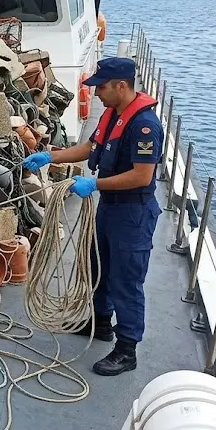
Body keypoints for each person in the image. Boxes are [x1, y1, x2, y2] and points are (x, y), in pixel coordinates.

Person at [22, 57, 163, 376]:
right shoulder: (113, 114)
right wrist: (50, 156)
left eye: (101, 87)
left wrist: (94, 184)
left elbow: (142, 175)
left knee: (126, 279)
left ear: (121, 86)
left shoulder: (144, 126)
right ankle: (100, 323)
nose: (97, 93)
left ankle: (127, 349)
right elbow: (91, 146)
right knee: (98, 265)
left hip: (132, 213)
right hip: (109, 207)